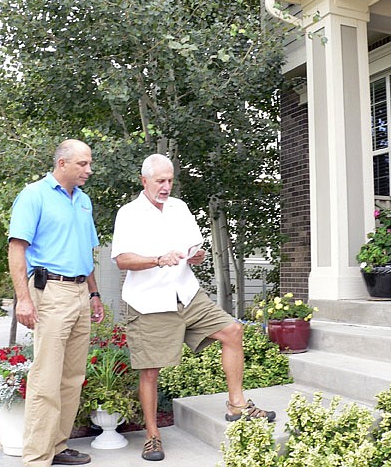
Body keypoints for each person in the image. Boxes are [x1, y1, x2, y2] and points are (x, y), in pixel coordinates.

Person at [111, 153, 275, 462]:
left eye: (170, 180)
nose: (166, 186)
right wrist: (157, 259)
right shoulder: (129, 213)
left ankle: (237, 404)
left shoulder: (180, 208)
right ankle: (152, 435)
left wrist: (195, 255)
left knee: (233, 331)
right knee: (150, 371)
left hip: (186, 293)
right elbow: (122, 259)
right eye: (160, 180)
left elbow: (191, 247)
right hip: (149, 302)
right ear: (144, 180)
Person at [8, 139, 105, 467]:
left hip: (79, 292)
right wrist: (23, 299)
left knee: (72, 377)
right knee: (46, 377)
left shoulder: (83, 201)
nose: (88, 170)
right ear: (62, 163)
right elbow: (17, 249)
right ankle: (36, 458)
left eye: (89, 164)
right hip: (50, 292)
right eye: (82, 164)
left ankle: (58, 446)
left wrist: (94, 293)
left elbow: (86, 252)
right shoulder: (34, 196)